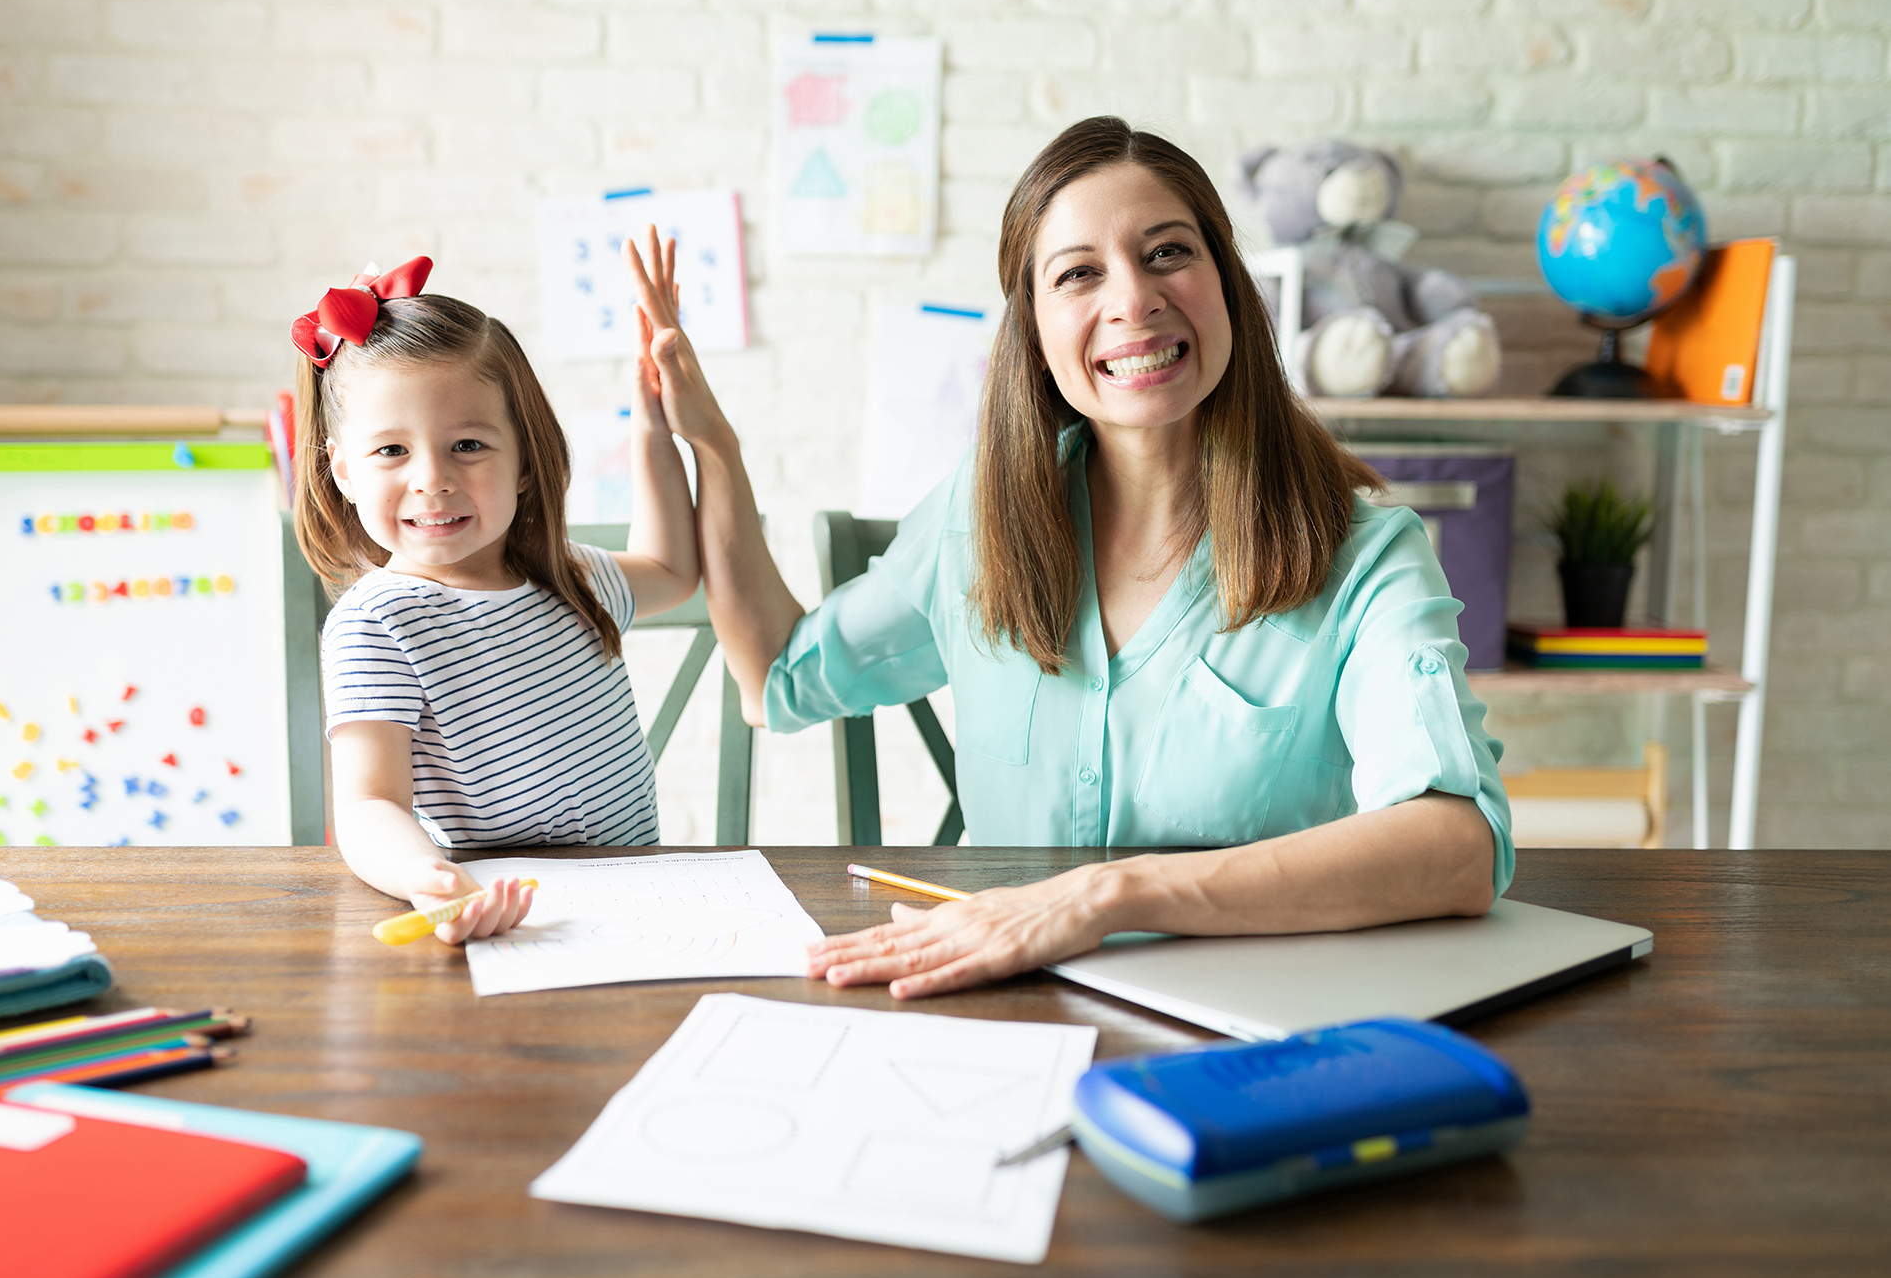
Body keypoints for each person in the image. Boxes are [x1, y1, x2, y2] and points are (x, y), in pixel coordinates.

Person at [623, 116, 1514, 999]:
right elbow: (777, 676)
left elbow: (1458, 844)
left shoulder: (1364, 554)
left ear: (1228, 285)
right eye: (1080, 273)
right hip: (994, 1001)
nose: (1132, 299)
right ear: (1036, 332)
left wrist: (1107, 895)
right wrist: (716, 448)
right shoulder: (979, 518)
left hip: (1253, 1026)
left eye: (1168, 253)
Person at [292, 257, 698, 945]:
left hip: (635, 904)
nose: (432, 479)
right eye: (392, 450)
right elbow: (369, 803)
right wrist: (430, 877)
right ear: (343, 471)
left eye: (468, 445)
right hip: (507, 915)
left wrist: (653, 424)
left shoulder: (570, 578)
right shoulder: (377, 622)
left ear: (525, 463)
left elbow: (671, 569)